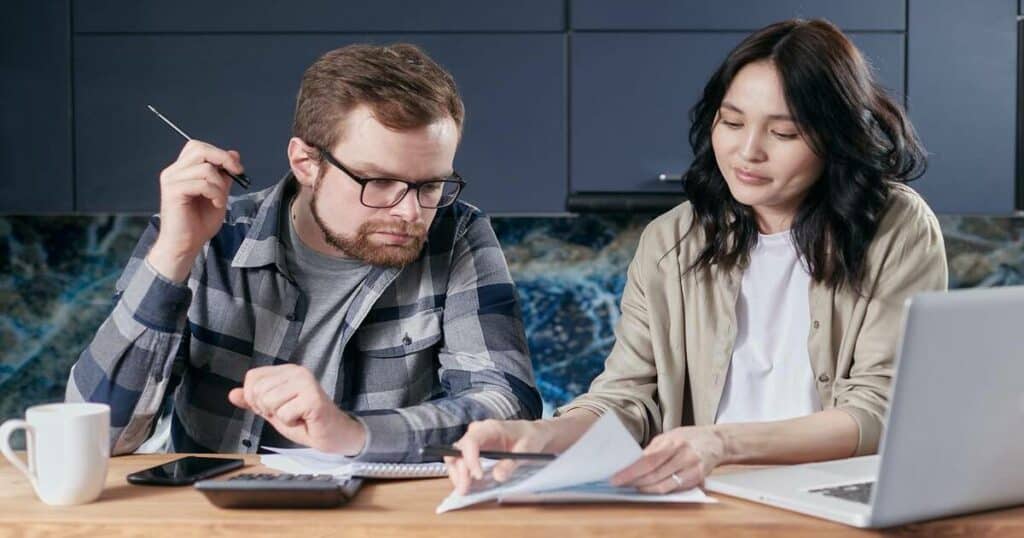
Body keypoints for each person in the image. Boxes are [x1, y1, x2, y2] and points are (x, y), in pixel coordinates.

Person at [446, 19, 947, 493]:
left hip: (833, 499)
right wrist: (536, 438)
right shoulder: (671, 241)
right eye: (731, 122)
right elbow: (628, 397)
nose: (747, 151)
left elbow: (883, 409)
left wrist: (723, 442)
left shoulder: (896, 229)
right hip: (708, 503)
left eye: (784, 133)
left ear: (834, 138)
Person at [66, 43, 541, 462]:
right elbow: (98, 437)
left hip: (383, 519)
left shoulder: (456, 233)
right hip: (218, 517)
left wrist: (351, 434)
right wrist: (173, 255)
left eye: (432, 185)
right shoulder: (197, 234)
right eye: (379, 183)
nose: (410, 212)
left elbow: (505, 406)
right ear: (306, 163)